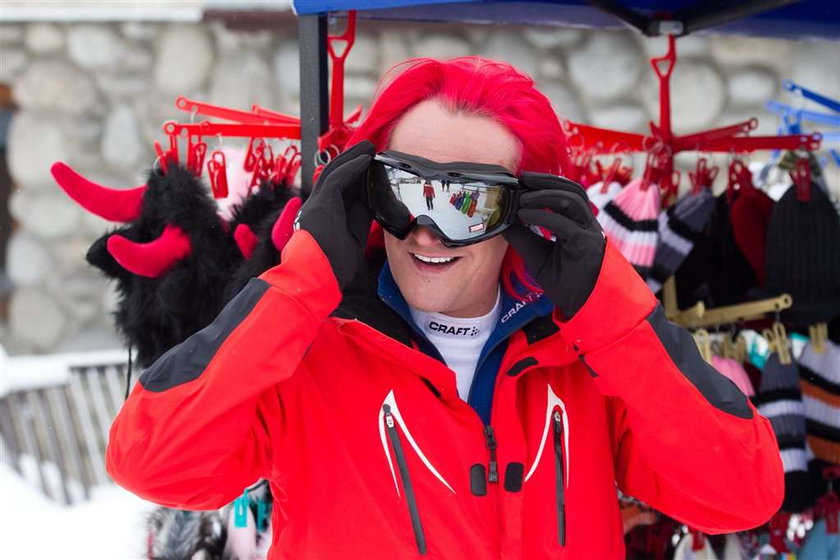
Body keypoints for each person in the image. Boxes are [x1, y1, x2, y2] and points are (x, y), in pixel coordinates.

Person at [106, 57, 783, 559]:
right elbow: (150, 459)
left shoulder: (586, 362)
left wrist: (608, 307)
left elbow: (742, 492)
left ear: (527, 210)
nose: (427, 231)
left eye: (469, 203)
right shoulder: (306, 351)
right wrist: (304, 279)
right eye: (405, 190)